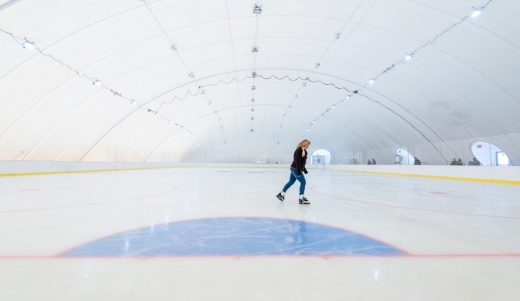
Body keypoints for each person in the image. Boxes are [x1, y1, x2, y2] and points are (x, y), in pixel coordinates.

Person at [276, 139, 311, 204]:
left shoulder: (304, 151)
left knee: (291, 182)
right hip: (295, 168)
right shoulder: (299, 150)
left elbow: (302, 162)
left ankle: (281, 194)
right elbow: (297, 161)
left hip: (294, 168)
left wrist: (305, 170)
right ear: (304, 144)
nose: (307, 147)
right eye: (307, 145)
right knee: (303, 182)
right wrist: (299, 172)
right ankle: (301, 198)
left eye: (308, 146)